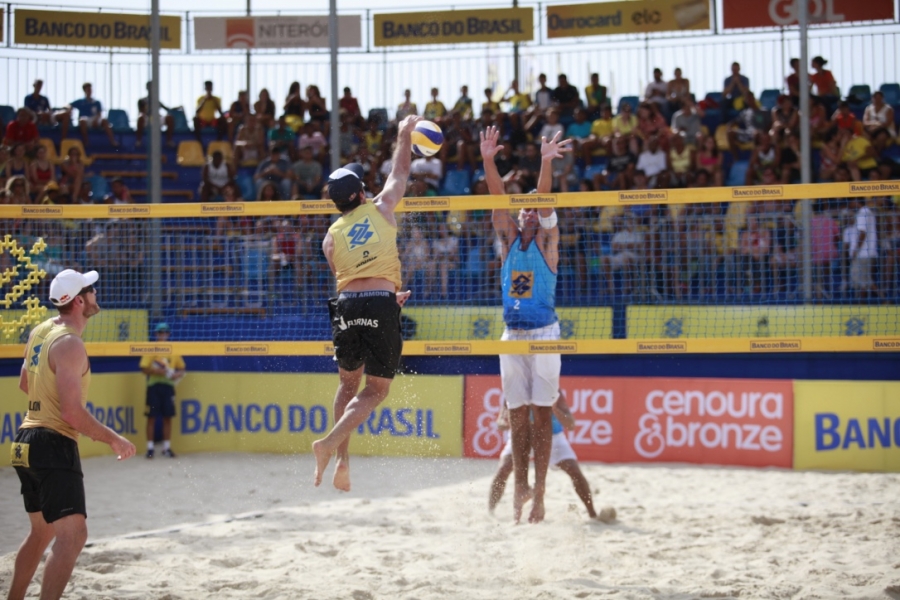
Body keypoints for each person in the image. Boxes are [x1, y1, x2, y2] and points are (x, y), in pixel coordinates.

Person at [8, 269, 136, 600]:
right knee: (73, 536)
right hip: (51, 442)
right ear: (79, 301)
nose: (96, 294)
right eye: (91, 289)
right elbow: (72, 413)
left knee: (41, 533)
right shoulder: (70, 345)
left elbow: (25, 383)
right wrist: (113, 438)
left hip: (25, 440)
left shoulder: (41, 332)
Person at [311, 115, 419, 492]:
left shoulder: (328, 237)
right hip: (377, 303)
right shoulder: (382, 207)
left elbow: (351, 280)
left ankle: (342, 460)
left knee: (347, 384)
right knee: (376, 390)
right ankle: (327, 444)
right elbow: (401, 168)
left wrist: (385, 297)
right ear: (359, 195)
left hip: (347, 307)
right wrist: (404, 133)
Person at [481, 124, 571, 523]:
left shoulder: (548, 244)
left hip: (544, 334)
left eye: (534, 206)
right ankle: (521, 486)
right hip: (512, 335)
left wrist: (545, 162)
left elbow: (546, 201)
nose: (528, 208)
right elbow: (498, 198)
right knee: (517, 416)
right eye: (525, 206)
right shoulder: (508, 239)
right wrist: (488, 160)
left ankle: (542, 495)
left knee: (541, 414)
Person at [488, 391, 610, 521]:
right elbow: (501, 421)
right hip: (521, 438)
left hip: (552, 437)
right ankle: (490, 511)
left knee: (575, 471)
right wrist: (506, 422)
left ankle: (592, 513)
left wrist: (554, 409)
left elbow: (571, 425)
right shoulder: (517, 385)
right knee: (503, 469)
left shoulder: (552, 389)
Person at [139, 323, 185, 459]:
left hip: (168, 386)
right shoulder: (151, 349)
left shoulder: (174, 350)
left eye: (165, 332)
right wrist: (157, 371)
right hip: (154, 385)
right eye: (160, 332)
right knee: (151, 417)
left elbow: (182, 368)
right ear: (156, 334)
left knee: (168, 417)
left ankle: (166, 447)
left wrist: (178, 374)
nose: (162, 335)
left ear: (168, 334)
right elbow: (143, 368)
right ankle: (150, 448)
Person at [66, 83, 118, 147]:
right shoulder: (80, 101)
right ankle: (86, 142)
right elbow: (69, 105)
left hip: (94, 119)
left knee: (104, 120)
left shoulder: (97, 102)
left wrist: (96, 119)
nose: (89, 91)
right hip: (85, 120)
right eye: (88, 89)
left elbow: (99, 113)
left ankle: (112, 141)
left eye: (90, 89)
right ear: (84, 91)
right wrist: (69, 108)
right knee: (82, 120)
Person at [135, 81, 177, 148]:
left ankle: (169, 141)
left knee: (170, 118)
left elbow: (168, 109)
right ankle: (138, 141)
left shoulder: (156, 100)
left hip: (157, 119)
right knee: (140, 118)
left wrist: (177, 108)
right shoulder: (142, 100)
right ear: (147, 88)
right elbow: (141, 112)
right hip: (147, 119)